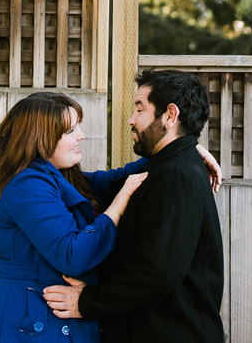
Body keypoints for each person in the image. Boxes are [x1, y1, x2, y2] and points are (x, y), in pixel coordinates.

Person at [43, 69, 225, 343]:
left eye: (140, 109)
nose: (131, 120)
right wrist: (190, 146)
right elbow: (95, 185)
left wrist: (88, 302)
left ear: (170, 116)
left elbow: (157, 272)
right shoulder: (168, 169)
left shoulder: (176, 176)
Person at [0, 92, 149, 343]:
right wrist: (117, 208)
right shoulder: (28, 185)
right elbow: (73, 255)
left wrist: (180, 147)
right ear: (39, 139)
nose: (81, 135)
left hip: (58, 324)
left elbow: (119, 177)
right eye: (70, 131)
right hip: (33, 329)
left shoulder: (63, 178)